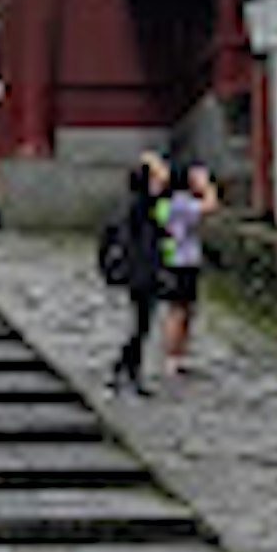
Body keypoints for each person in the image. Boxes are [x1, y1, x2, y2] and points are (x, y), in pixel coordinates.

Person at [99, 153, 168, 392]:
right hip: (142, 271)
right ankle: (124, 369)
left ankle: (127, 371)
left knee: (141, 325)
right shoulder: (142, 206)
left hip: (138, 270)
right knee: (141, 325)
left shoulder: (130, 204)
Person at [154, 160, 216, 382]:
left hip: (177, 259)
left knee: (185, 309)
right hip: (181, 261)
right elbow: (209, 206)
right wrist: (206, 186)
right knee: (178, 310)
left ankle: (178, 355)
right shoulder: (179, 203)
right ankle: (172, 357)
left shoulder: (166, 202)